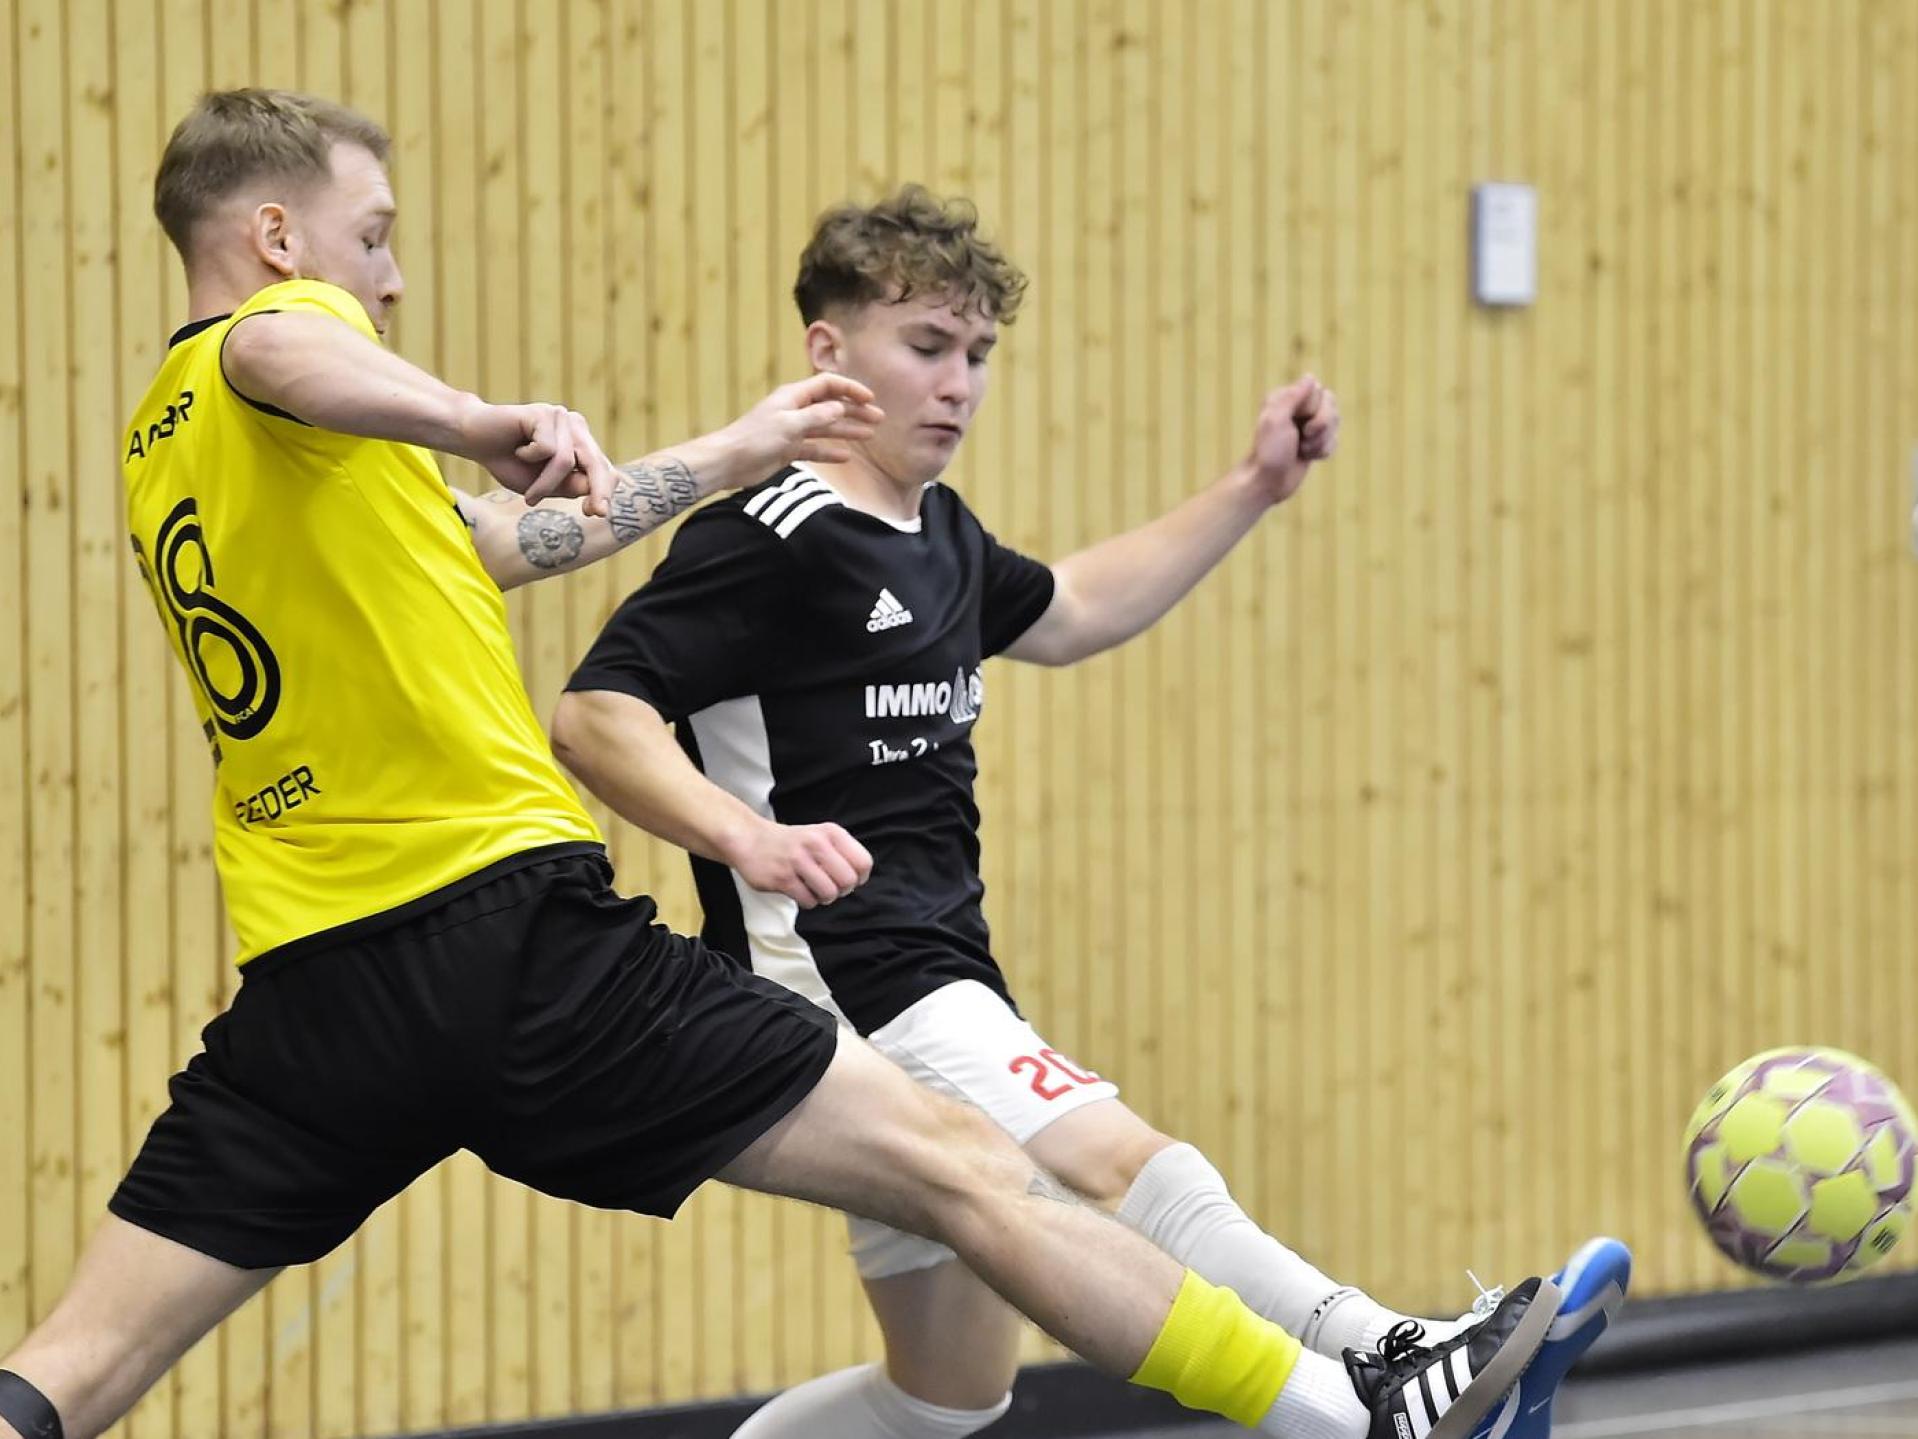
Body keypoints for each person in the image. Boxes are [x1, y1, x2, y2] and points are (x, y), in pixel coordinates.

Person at [0, 93, 1562, 1439]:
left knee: (75, 1363)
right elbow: (292, 359)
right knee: (982, 1165)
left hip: (316, 987)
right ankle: (1358, 1396)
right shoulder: (278, 349)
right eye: (373, 238)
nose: (389, 278)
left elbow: (508, 544)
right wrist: (480, 413)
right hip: (516, 934)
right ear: (278, 236)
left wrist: (730, 446)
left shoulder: (172, 448)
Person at [554, 186, 1631, 1439]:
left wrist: (1249, 489)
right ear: (827, 351)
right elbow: (596, 712)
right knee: (1120, 1158)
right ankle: (1383, 1361)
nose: (958, 383)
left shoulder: (937, 532)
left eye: (978, 355)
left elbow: (1068, 609)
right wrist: (744, 836)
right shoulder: (775, 534)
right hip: (847, 972)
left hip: (937, 966)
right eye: (926, 347)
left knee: (946, 1391)